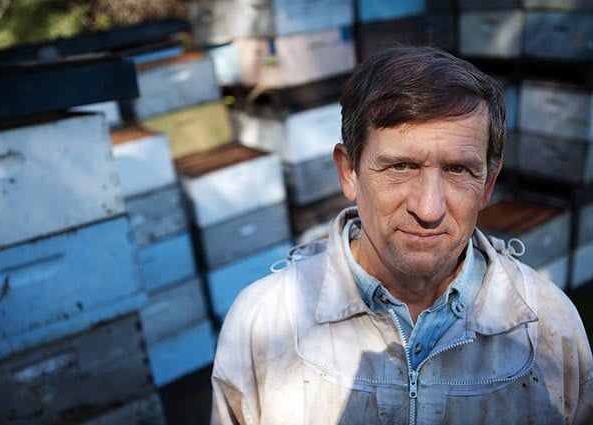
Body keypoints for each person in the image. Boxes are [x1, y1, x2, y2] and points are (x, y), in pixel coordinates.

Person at [210, 46, 593, 424]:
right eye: (400, 166)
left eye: (458, 170)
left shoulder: (549, 328)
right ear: (349, 173)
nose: (428, 209)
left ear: (488, 184)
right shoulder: (261, 322)